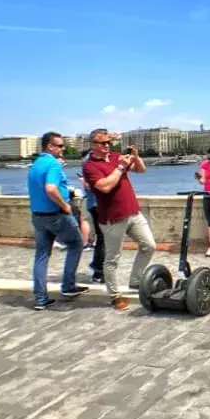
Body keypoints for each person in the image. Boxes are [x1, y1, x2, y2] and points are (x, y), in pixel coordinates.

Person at [82, 129, 156, 310]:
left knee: (149, 246)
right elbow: (104, 187)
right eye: (103, 143)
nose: (107, 145)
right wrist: (120, 168)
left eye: (108, 142)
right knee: (112, 258)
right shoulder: (90, 166)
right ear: (93, 144)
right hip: (112, 219)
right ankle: (114, 295)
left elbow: (141, 169)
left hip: (133, 212)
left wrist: (136, 157)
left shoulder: (116, 156)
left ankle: (136, 280)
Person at [27, 131, 88, 310]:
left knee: (41, 255)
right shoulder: (53, 164)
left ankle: (40, 299)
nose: (63, 148)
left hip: (38, 216)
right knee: (76, 243)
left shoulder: (36, 163)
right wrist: (65, 206)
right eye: (60, 146)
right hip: (56, 214)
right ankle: (68, 286)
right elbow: (51, 188)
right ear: (49, 146)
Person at [78, 148, 105, 283]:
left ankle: (98, 268)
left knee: (102, 237)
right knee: (104, 238)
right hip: (98, 204)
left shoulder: (85, 163)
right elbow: (91, 185)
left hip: (93, 204)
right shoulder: (91, 162)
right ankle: (99, 270)